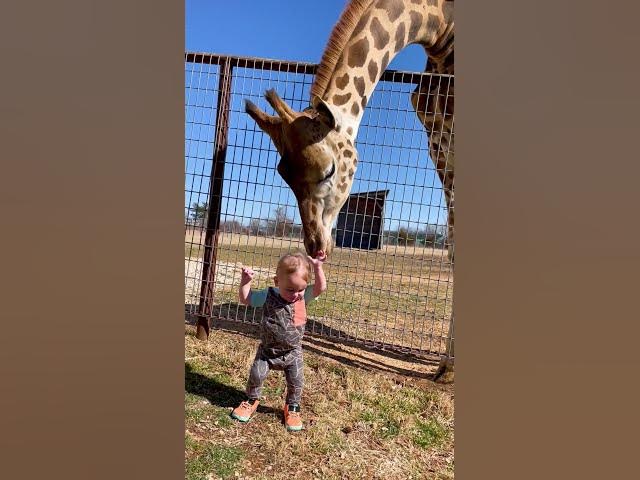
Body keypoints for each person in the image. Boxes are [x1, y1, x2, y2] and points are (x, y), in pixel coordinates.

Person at [231, 250, 327, 431]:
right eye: (290, 289)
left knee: (296, 381)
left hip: (292, 352)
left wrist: (318, 267)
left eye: (301, 288)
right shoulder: (268, 295)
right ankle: (251, 400)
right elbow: (246, 299)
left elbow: (320, 288)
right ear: (277, 282)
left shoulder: (302, 297)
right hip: (267, 352)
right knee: (256, 375)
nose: (295, 294)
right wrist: (246, 282)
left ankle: (292, 407)